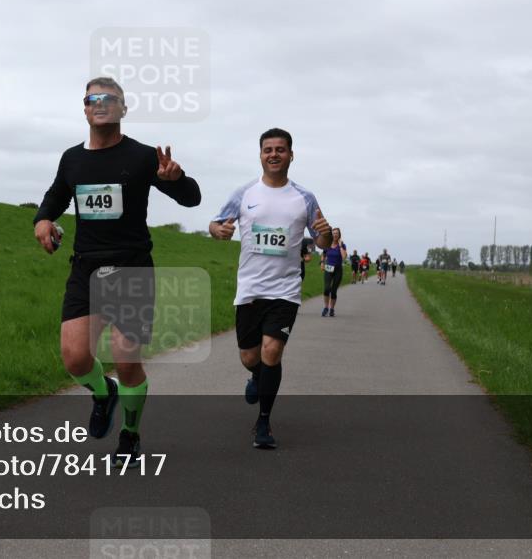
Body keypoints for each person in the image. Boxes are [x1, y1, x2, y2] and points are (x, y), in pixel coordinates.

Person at [33, 77, 201, 465]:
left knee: (127, 358)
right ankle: (102, 393)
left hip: (132, 268)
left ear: (123, 109)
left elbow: (191, 199)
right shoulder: (72, 159)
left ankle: (130, 434)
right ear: (85, 107)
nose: (102, 103)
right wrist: (43, 221)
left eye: (111, 99)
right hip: (86, 269)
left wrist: (176, 180)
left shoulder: (143, 157)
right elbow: (55, 197)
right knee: (75, 359)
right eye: (94, 98)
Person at [209, 128, 332, 449]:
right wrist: (218, 230)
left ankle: (263, 422)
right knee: (250, 356)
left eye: (280, 149)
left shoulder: (304, 197)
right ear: (261, 155)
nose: (274, 154)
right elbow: (215, 223)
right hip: (249, 288)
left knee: (271, 352)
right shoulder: (245, 193)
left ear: (291, 155)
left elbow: (322, 239)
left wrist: (326, 234)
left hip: (285, 289)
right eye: (268, 149)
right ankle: (255, 377)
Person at [320, 228, 346, 317]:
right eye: (334, 233)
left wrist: (341, 246)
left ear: (339, 235)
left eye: (337, 233)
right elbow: (323, 255)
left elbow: (344, 257)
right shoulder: (327, 245)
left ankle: (332, 309)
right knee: (327, 288)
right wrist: (322, 263)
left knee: (334, 291)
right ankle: (326, 307)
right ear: (331, 235)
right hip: (328, 268)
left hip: (338, 270)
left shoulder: (342, 245)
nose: (335, 235)